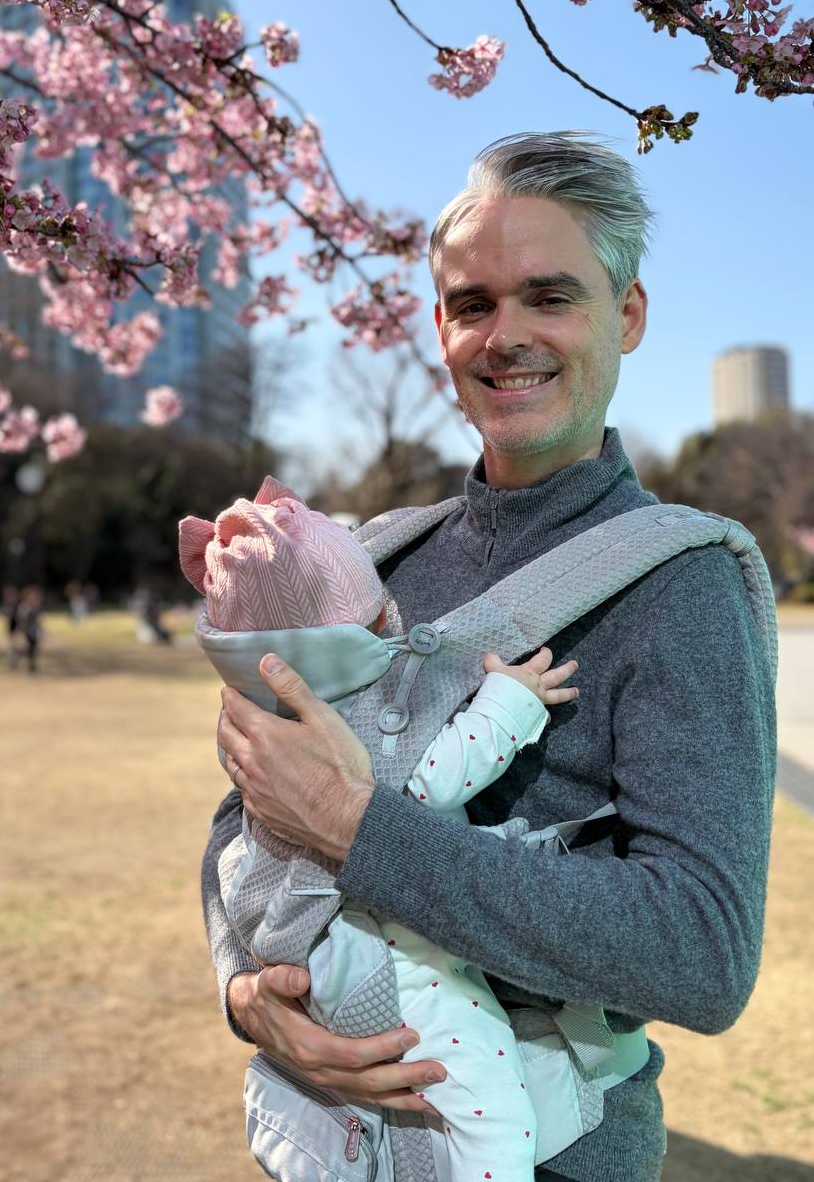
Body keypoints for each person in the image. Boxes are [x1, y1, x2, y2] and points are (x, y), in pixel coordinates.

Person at [202, 133, 777, 1181]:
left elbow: (703, 952)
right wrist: (248, 994)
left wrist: (354, 827)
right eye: (474, 304)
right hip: (324, 1140)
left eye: (549, 296)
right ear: (440, 328)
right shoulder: (374, 558)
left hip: (548, 1152)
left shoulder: (681, 582)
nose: (506, 335)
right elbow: (245, 823)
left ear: (628, 315)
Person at [181, 477, 581, 1180]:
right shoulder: (349, 712)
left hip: (331, 951)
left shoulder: (262, 710)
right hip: (391, 960)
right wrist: (511, 704)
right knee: (496, 1124)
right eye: (377, 618)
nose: (395, 622)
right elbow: (425, 787)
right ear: (345, 639)